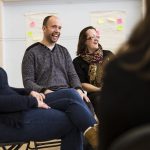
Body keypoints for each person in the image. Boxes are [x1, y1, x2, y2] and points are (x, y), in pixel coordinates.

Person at [0, 67, 98, 150]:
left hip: (16, 107)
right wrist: (31, 101)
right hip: (8, 119)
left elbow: (5, 89)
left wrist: (28, 92)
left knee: (71, 93)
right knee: (71, 120)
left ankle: (95, 136)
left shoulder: (62, 51)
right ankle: (97, 141)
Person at [98, 0, 150, 149]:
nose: (95, 39)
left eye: (96, 36)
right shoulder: (79, 61)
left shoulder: (120, 65)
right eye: (90, 37)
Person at [73, 26, 114, 116]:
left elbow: (118, 73)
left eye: (97, 36)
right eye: (92, 37)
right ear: (84, 41)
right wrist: (100, 89)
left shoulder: (108, 54)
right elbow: (82, 84)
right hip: (96, 93)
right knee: (100, 100)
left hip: (113, 89)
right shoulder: (77, 61)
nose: (96, 39)